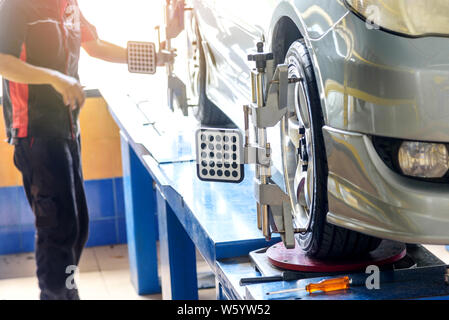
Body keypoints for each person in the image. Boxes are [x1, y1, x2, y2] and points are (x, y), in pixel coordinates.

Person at [0, 0, 171, 300]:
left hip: (67, 127)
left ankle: (66, 291)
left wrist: (155, 58)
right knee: (58, 229)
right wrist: (54, 78)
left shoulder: (67, 4)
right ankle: (57, 295)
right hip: (35, 132)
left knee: (77, 227)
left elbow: (96, 46)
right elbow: (3, 61)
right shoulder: (15, 6)